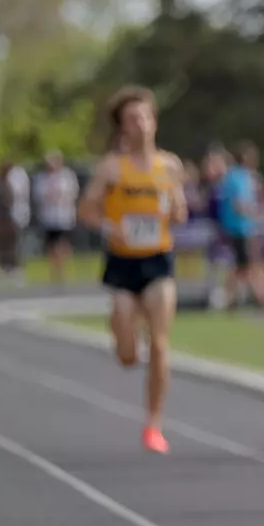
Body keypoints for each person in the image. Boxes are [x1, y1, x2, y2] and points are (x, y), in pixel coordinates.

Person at [75, 87, 190, 453]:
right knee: (128, 356)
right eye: (133, 119)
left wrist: (173, 207)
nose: (142, 124)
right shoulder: (111, 168)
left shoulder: (169, 165)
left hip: (158, 259)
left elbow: (180, 211)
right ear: (123, 128)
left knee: (159, 342)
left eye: (146, 117)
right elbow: (86, 211)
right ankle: (124, 331)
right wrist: (110, 226)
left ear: (154, 121)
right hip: (123, 262)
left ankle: (154, 424)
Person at [216, 141, 264, 310]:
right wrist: (257, 213)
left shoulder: (242, 176)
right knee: (249, 265)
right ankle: (262, 298)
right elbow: (239, 204)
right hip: (240, 228)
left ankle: (230, 298)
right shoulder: (238, 177)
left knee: (241, 266)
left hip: (243, 227)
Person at [34, 151, 80, 284]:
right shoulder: (42, 178)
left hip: (64, 216)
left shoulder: (67, 176)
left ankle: (63, 269)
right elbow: (40, 195)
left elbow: (71, 193)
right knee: (51, 244)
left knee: (62, 243)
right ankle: (54, 270)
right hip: (49, 217)